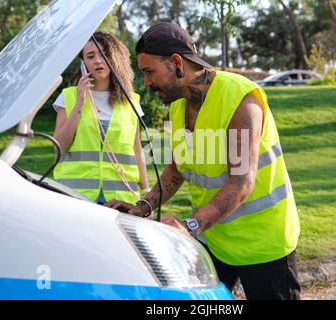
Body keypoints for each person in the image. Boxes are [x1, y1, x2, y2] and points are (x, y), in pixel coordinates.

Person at [106, 22, 300, 300]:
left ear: (176, 63)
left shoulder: (239, 97)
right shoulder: (178, 106)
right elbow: (177, 169)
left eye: (150, 72)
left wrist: (190, 226)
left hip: (264, 244)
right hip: (215, 241)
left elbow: (242, 181)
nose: (146, 83)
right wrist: (143, 206)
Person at [53, 32, 149, 205]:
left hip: (122, 199)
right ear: (83, 64)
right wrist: (79, 103)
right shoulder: (68, 97)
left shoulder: (131, 101)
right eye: (90, 56)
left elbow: (136, 151)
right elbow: (58, 147)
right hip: (75, 196)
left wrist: (147, 193)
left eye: (104, 54)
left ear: (115, 58)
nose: (97, 60)